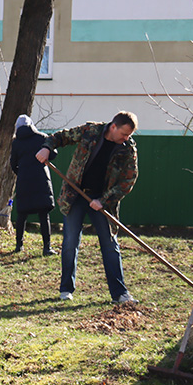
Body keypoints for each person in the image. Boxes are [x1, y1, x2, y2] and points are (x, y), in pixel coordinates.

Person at [35, 111, 139, 303]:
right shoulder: (91, 131)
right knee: (70, 242)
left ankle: (120, 293)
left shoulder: (127, 148)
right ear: (113, 127)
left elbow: (128, 180)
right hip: (76, 195)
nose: (126, 138)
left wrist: (104, 200)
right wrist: (46, 148)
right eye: (124, 134)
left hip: (103, 201)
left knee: (109, 245)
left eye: (129, 135)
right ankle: (66, 289)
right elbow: (60, 137)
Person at [10, 114, 57, 256]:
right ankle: (46, 247)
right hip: (41, 178)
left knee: (22, 214)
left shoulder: (16, 142)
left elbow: (13, 163)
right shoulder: (41, 138)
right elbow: (53, 154)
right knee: (44, 214)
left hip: (24, 180)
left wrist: (22, 173)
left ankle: (19, 246)